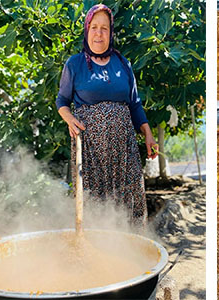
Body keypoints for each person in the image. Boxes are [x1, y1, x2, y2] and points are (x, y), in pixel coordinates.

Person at [55, 4, 158, 225]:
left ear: (111, 33)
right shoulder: (74, 64)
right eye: (94, 27)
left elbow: (135, 104)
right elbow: (62, 101)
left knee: (129, 202)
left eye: (104, 28)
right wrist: (69, 118)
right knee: (94, 205)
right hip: (90, 151)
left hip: (124, 150)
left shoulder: (124, 64)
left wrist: (148, 134)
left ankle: (131, 253)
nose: (99, 33)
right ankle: (96, 256)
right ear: (87, 30)